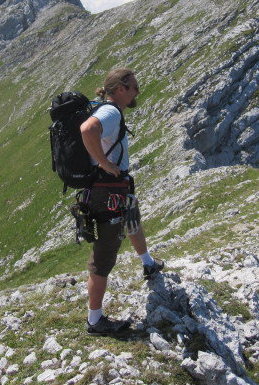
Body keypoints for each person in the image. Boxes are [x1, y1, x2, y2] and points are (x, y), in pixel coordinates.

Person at [80, 68, 164, 336]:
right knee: (104, 255)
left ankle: (148, 263)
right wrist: (106, 164)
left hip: (116, 187)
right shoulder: (111, 112)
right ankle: (95, 321)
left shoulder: (109, 109)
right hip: (108, 190)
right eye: (134, 87)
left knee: (133, 220)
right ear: (121, 89)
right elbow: (88, 129)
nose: (137, 92)